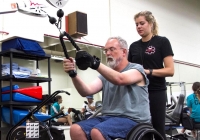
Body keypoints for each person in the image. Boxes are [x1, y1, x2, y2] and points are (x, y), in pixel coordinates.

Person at [63, 36, 151, 140]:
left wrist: (95, 63)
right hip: (108, 118)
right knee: (75, 129)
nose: (108, 53)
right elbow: (86, 91)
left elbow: (120, 79)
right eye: (106, 50)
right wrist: (73, 74)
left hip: (134, 120)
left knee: (98, 132)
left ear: (124, 52)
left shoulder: (137, 69)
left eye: (112, 49)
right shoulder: (105, 76)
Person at [128, 11, 174, 140]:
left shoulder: (162, 42)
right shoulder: (134, 46)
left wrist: (148, 71)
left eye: (142, 23)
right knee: (141, 130)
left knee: (158, 129)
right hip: (138, 93)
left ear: (151, 24)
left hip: (156, 91)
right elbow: (128, 69)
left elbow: (170, 70)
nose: (139, 27)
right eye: (136, 24)